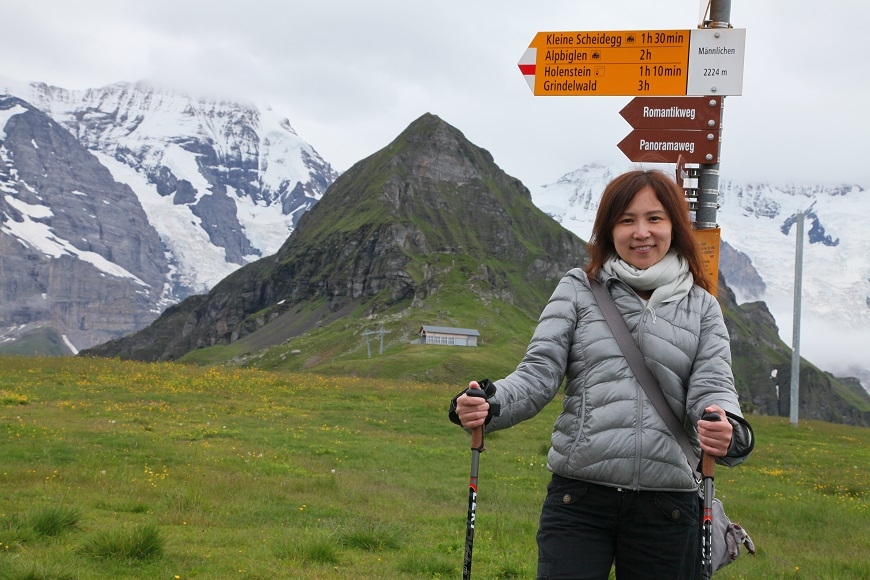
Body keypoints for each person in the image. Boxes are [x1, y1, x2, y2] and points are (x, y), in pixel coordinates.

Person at [450, 169, 754, 580]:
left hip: (669, 505)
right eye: (626, 220)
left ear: (674, 226)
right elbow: (539, 372)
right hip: (579, 500)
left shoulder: (702, 306)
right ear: (608, 229)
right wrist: (491, 402)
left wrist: (728, 429)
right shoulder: (578, 289)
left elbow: (714, 388)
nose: (641, 232)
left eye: (654, 218)